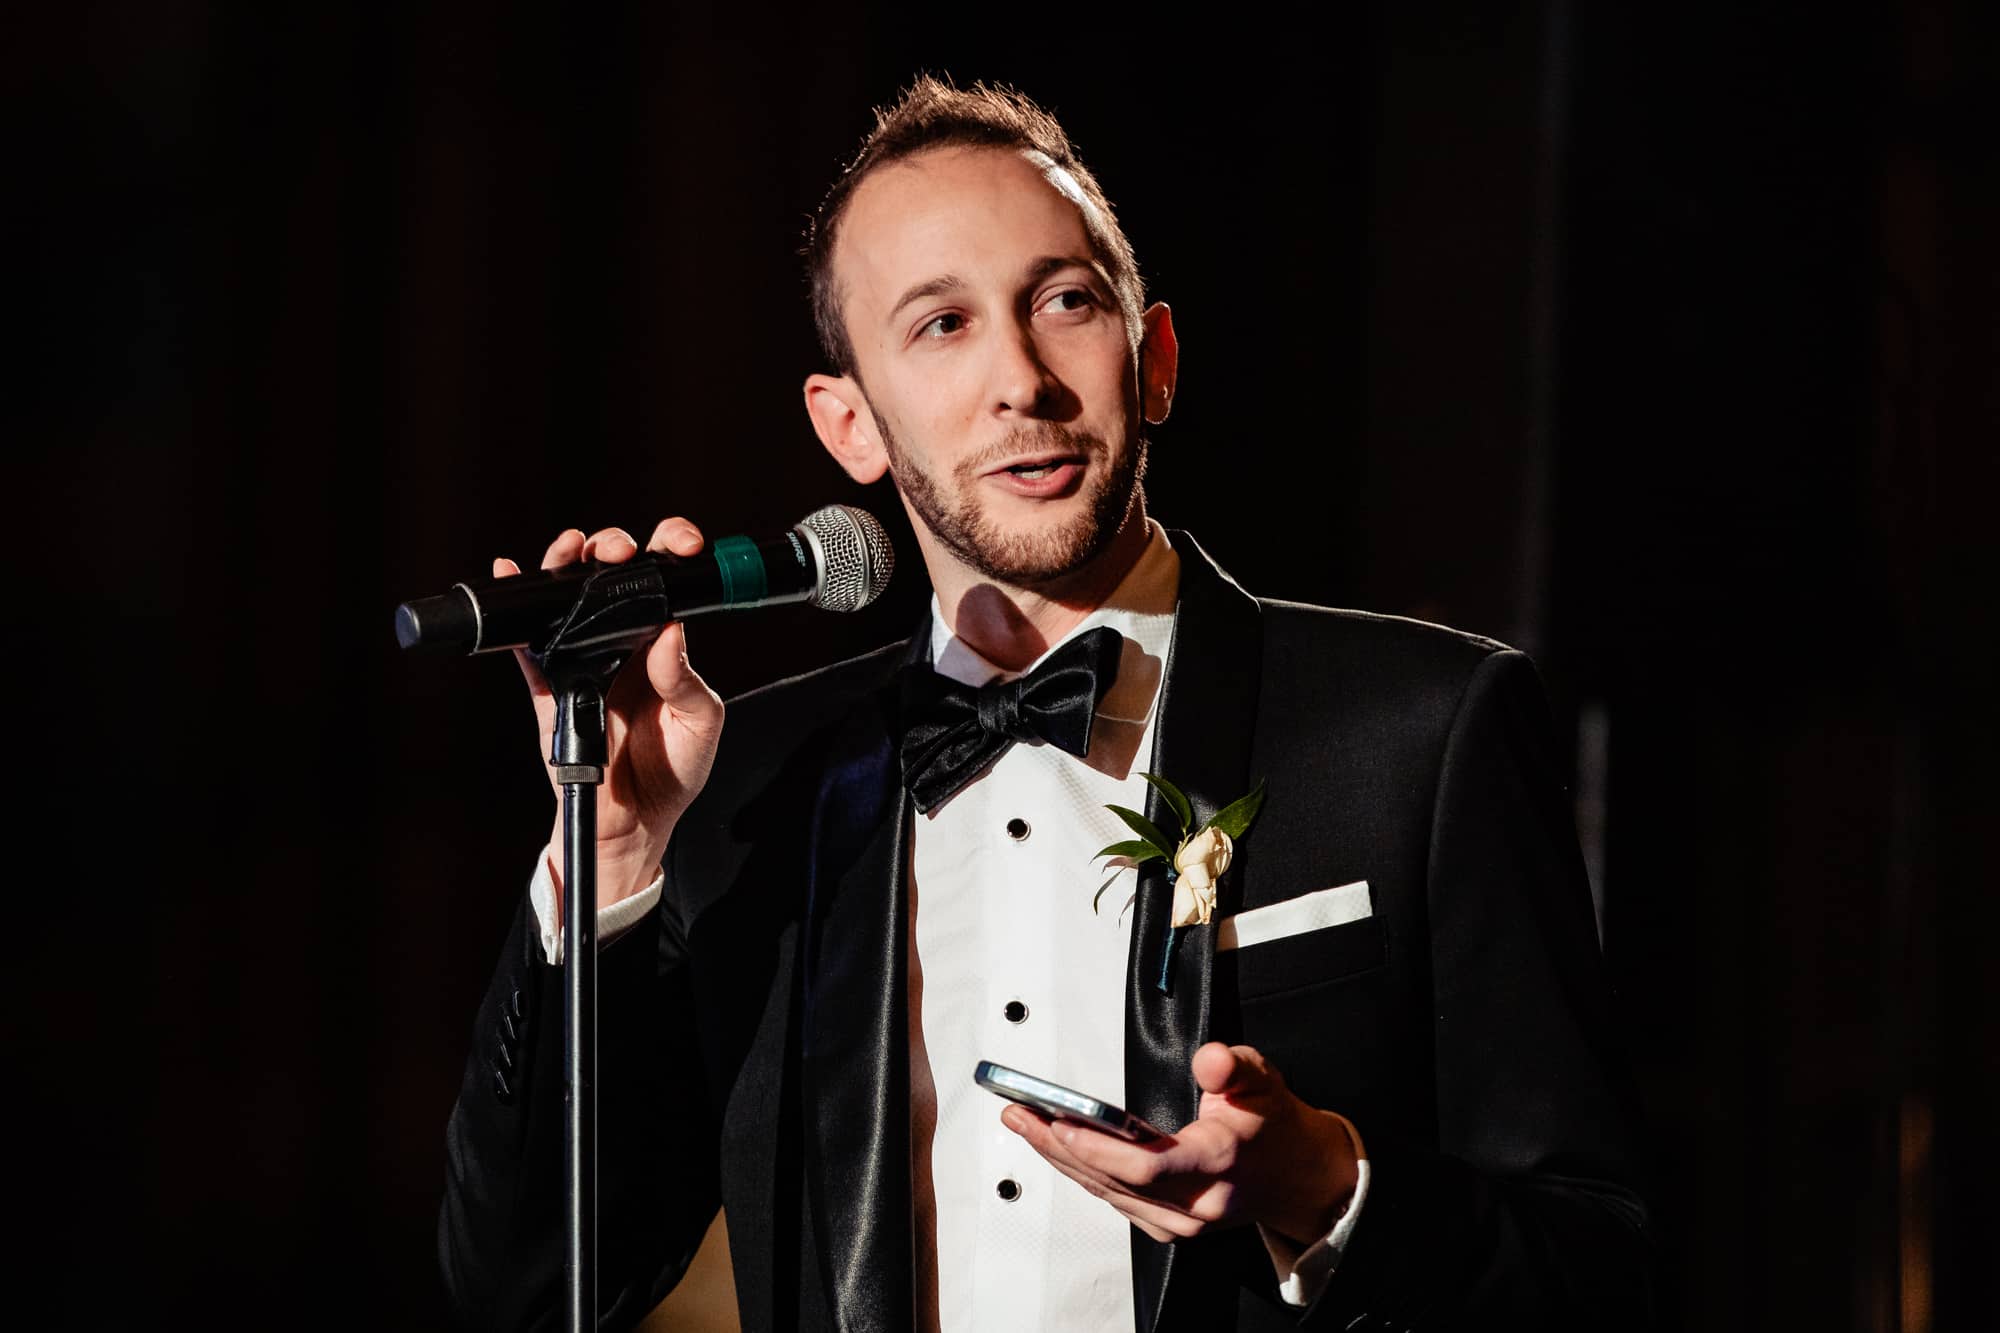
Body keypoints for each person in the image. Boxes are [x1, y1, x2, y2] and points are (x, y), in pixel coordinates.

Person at [439, 77, 1654, 1331]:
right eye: (940, 325)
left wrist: (1323, 1185)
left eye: (1064, 301)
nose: (1021, 377)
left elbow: (1598, 1265)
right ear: (848, 422)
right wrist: (614, 855)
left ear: (1156, 357)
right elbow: (527, 1280)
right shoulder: (751, 786)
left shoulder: (1419, 731)